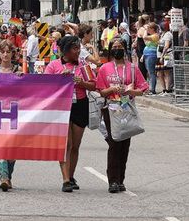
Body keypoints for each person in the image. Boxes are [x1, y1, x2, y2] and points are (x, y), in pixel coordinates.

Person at [95, 37, 147, 193]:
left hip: (127, 108)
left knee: (125, 145)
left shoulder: (132, 68)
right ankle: (112, 181)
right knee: (114, 143)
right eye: (114, 46)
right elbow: (101, 91)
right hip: (111, 108)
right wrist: (112, 90)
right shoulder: (104, 68)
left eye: (120, 46)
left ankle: (121, 180)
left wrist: (130, 91)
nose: (117, 49)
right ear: (111, 49)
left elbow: (143, 88)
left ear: (125, 49)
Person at [46, 35, 96, 193]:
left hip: (80, 104)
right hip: (62, 106)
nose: (78, 51)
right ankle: (65, 179)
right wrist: (59, 80)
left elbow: (93, 86)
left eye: (79, 48)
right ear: (66, 50)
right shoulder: (54, 65)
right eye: (75, 48)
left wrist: (81, 83)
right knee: (65, 144)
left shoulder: (83, 65)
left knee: (75, 145)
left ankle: (71, 176)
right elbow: (44, 85)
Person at [0, 39, 22, 190]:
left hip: (15, 112)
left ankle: (9, 177)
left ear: (12, 53)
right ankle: (4, 177)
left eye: (8, 51)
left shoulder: (18, 69)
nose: (5, 54)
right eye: (2, 52)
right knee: (1, 145)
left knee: (13, 147)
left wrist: (23, 78)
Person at [141, 23, 159, 95]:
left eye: (149, 28)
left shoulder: (155, 36)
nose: (147, 30)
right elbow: (146, 43)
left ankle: (152, 89)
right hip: (147, 55)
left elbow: (144, 37)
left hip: (151, 55)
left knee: (151, 72)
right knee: (149, 72)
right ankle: (149, 87)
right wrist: (143, 55)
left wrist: (145, 30)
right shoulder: (151, 36)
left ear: (152, 29)